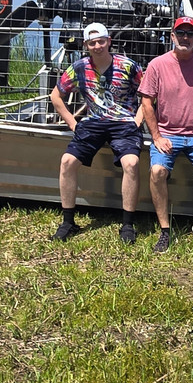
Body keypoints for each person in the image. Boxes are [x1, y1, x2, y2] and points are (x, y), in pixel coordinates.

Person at [49, 23, 144, 244]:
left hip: (124, 122)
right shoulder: (78, 68)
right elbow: (56, 96)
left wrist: (137, 121)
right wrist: (73, 124)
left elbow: (149, 93)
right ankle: (68, 221)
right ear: (86, 45)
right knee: (67, 162)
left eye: (101, 41)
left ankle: (127, 224)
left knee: (131, 164)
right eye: (92, 43)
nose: (98, 46)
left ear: (109, 41)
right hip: (93, 122)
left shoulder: (128, 66)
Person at [139, 16, 193, 253]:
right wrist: (157, 137)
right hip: (167, 133)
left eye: (190, 34)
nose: (185, 38)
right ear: (172, 36)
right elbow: (146, 103)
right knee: (157, 172)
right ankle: (165, 230)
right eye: (180, 33)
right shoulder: (157, 65)